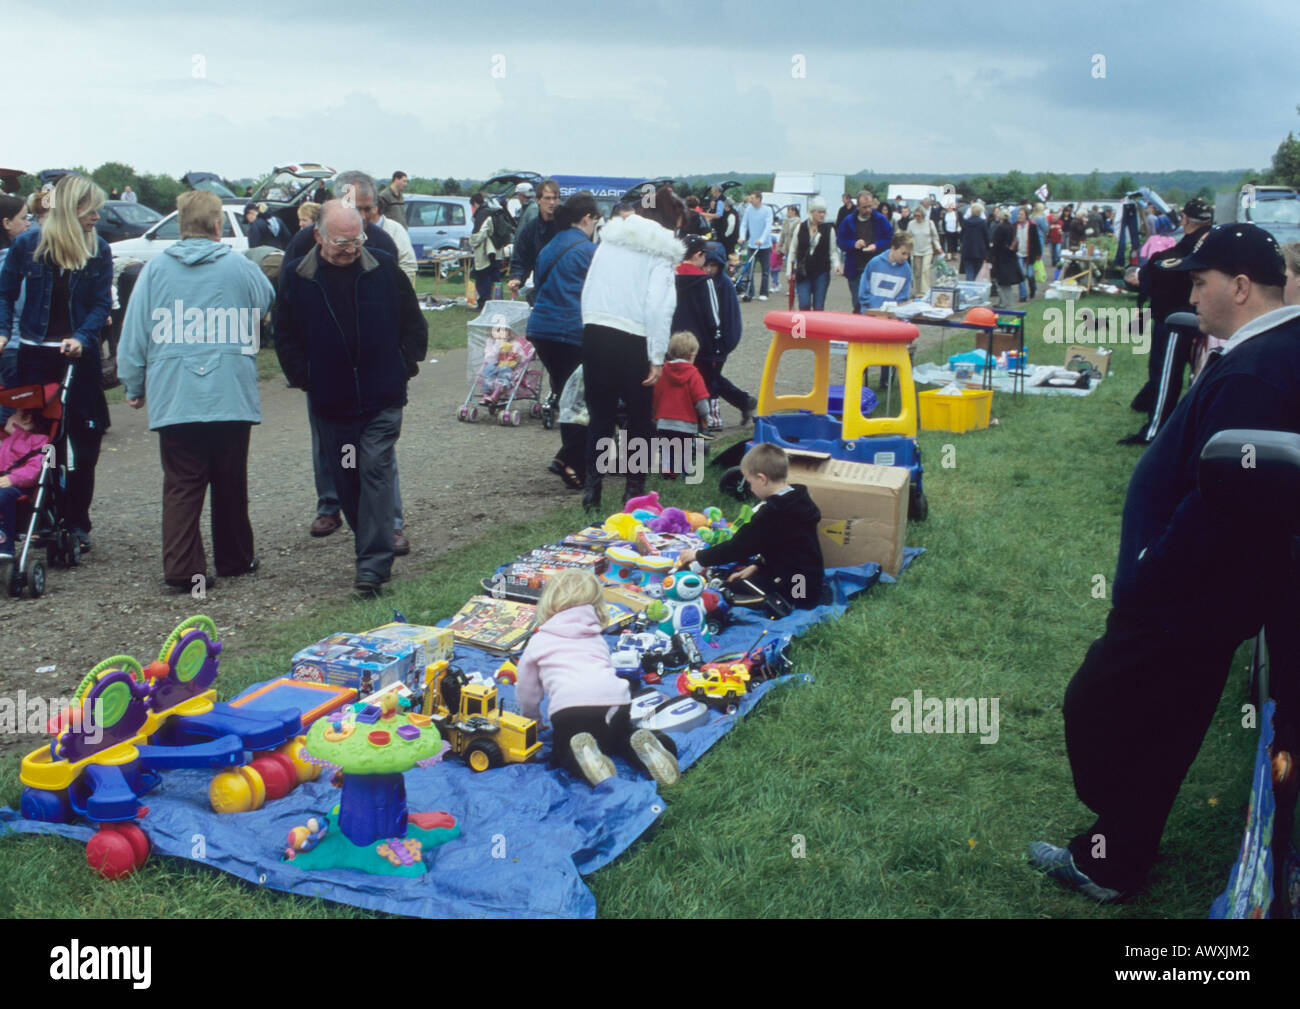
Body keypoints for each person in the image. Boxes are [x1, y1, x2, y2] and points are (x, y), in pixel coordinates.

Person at [1029, 223, 1300, 903]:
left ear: (1239, 287)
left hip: (1184, 599)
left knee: (1096, 705)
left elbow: (1223, 502)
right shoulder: (1259, 352)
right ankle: (1114, 855)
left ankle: (1114, 846)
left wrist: (1153, 564)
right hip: (1197, 598)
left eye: (1200, 281)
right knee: (1160, 727)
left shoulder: (1260, 371)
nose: (1191, 292)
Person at [116, 190, 274, 590]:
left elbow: (135, 333)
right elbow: (266, 300)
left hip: (176, 392)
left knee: (183, 483)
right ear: (218, 225)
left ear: (180, 225)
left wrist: (133, 383)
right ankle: (236, 557)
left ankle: (185, 568)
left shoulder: (154, 272)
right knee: (230, 479)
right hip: (228, 392)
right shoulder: (239, 267)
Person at [274, 201, 428, 597]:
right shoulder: (297, 277)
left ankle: (371, 567)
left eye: (356, 239)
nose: (350, 248)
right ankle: (371, 544)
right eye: (341, 242)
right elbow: (285, 335)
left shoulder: (382, 269)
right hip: (334, 405)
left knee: (374, 468)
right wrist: (304, 377)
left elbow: (414, 322)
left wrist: (404, 363)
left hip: (381, 399)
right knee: (348, 475)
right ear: (319, 237)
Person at [282, 173, 402, 549]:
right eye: (356, 209)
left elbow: (399, 310)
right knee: (332, 448)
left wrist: (401, 363)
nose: (362, 219)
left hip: (374, 378)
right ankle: (332, 504)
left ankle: (391, 523)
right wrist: (304, 373)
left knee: (378, 457)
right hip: (327, 375)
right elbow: (288, 312)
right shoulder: (302, 244)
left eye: (367, 210)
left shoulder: (380, 243)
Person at [0, 173, 111, 553]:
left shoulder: (99, 249)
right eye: (90, 208)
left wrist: (82, 337)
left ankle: (76, 519)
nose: (97, 216)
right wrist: (3, 331)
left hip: (77, 357)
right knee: (35, 436)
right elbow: (5, 291)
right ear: (70, 208)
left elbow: (100, 303)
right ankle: (40, 514)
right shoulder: (29, 244)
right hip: (36, 355)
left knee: (84, 437)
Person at [515, 568, 680, 787]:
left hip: (570, 706)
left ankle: (583, 757)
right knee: (620, 736)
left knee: (565, 748)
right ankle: (645, 745)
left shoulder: (540, 640)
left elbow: (527, 690)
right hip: (615, 700)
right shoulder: (595, 636)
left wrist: (532, 720)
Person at [579, 184, 685, 512]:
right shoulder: (662, 250)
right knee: (640, 419)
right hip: (634, 337)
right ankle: (633, 490)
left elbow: (589, 287)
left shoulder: (609, 239)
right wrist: (656, 356)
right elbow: (659, 308)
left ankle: (592, 488)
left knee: (600, 415)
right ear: (670, 221)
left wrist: (590, 326)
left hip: (596, 331)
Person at [677, 443, 824, 610]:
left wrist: (698, 555)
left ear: (762, 479)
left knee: (727, 593)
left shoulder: (773, 512)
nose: (751, 488)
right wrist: (757, 566)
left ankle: (787, 604)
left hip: (798, 591)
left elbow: (737, 548)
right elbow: (788, 547)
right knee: (738, 578)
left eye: (750, 482)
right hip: (807, 579)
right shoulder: (797, 499)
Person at [1120, 198, 1216, 446]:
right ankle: (1148, 401)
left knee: (1167, 372)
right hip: (1202, 317)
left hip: (1178, 317)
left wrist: (1146, 273)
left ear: (1185, 220)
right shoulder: (1214, 241)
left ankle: (1154, 430)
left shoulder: (1194, 246)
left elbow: (1170, 265)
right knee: (1174, 372)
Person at [526, 191, 599, 490]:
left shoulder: (550, 246)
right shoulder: (588, 250)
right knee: (583, 401)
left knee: (565, 393)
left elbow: (539, 284)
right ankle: (571, 461)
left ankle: (566, 457)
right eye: (596, 220)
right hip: (571, 331)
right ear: (587, 218)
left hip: (542, 330)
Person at [673, 238, 753, 431]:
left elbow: (726, 318)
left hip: (718, 341)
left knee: (709, 379)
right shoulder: (701, 281)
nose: (709, 269)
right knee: (707, 377)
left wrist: (723, 343)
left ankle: (712, 418)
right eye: (707, 265)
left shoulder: (723, 284)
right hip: (702, 342)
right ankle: (744, 401)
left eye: (713, 266)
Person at [652, 331, 709, 479]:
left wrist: (656, 414)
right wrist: (704, 415)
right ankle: (685, 471)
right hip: (686, 422)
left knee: (666, 447)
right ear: (691, 355)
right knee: (685, 448)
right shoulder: (693, 374)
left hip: (664, 421)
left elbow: (656, 395)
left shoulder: (664, 372)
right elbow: (700, 399)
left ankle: (667, 470)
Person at [0, 407, 52, 562]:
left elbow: (35, 469)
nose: (4, 420)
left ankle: (4, 547)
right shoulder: (6, 441)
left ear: (27, 418)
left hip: (21, 488)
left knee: (3, 496)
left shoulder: (41, 442)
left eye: (9, 415)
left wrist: (13, 478)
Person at [837, 191, 893, 314]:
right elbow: (840, 241)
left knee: (875, 303)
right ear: (857, 207)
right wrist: (853, 244)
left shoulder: (880, 220)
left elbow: (890, 239)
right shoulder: (848, 221)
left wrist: (876, 245)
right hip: (855, 268)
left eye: (870, 206)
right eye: (864, 207)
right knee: (858, 303)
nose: (868, 210)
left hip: (876, 268)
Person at [509, 179, 561, 301]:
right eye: (547, 198)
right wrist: (516, 277)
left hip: (562, 289)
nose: (552, 202)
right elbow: (520, 258)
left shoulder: (567, 227)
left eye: (555, 198)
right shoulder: (530, 229)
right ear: (538, 200)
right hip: (538, 289)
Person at [792, 197, 843, 311]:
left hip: (821, 272)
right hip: (803, 271)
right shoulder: (800, 227)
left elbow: (833, 251)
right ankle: (803, 328)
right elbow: (793, 249)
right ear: (811, 212)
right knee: (804, 303)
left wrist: (836, 265)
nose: (822, 215)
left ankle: (815, 328)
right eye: (819, 212)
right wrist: (789, 271)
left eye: (824, 212)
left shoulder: (829, 229)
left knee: (818, 306)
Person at [858, 233, 914, 311]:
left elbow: (903, 297)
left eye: (908, 254)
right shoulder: (874, 263)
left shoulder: (906, 270)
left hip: (892, 315)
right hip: (871, 313)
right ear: (893, 248)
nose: (906, 257)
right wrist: (868, 308)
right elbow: (864, 290)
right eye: (903, 253)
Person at [468, 191, 504, 307]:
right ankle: (498, 301)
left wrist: (470, 241)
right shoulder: (494, 212)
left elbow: (478, 236)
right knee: (495, 276)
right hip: (496, 250)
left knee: (483, 277)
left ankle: (484, 302)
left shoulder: (482, 214)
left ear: (475, 203)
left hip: (485, 252)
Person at [737, 191, 774, 301]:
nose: (750, 200)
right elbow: (744, 224)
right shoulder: (749, 209)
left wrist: (762, 239)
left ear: (759, 199)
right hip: (752, 245)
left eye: (752, 198)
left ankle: (764, 293)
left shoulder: (767, 210)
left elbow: (768, 226)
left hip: (765, 246)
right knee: (749, 269)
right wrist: (742, 237)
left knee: (765, 271)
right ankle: (750, 292)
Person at [906, 206, 942, 298]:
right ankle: (917, 291)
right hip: (915, 250)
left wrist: (939, 248)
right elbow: (908, 237)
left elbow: (935, 237)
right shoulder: (911, 224)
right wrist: (907, 249)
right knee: (917, 271)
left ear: (923, 215)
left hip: (928, 249)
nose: (917, 217)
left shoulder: (930, 223)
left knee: (925, 270)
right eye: (915, 215)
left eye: (919, 215)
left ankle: (924, 291)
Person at [990, 207, 1021, 307]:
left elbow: (996, 244)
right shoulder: (1012, 227)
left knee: (1001, 282)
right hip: (1010, 256)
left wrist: (990, 256)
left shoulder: (1000, 228)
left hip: (1001, 257)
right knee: (1007, 283)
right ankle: (1007, 302)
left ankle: (1004, 302)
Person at [1014, 206, 1043, 301]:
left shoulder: (1032, 226)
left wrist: (1038, 254)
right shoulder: (1015, 226)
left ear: (1026, 215)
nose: (1019, 216)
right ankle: (1023, 295)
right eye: (1018, 214)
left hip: (1029, 254)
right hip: (1018, 253)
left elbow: (1036, 241)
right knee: (1021, 275)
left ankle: (1033, 288)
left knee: (1030, 274)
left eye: (1021, 214)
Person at [959, 201, 991, 282]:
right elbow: (986, 237)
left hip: (967, 250)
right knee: (977, 273)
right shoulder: (982, 222)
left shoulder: (965, 222)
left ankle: (969, 291)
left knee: (969, 272)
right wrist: (988, 248)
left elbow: (961, 236)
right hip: (979, 251)